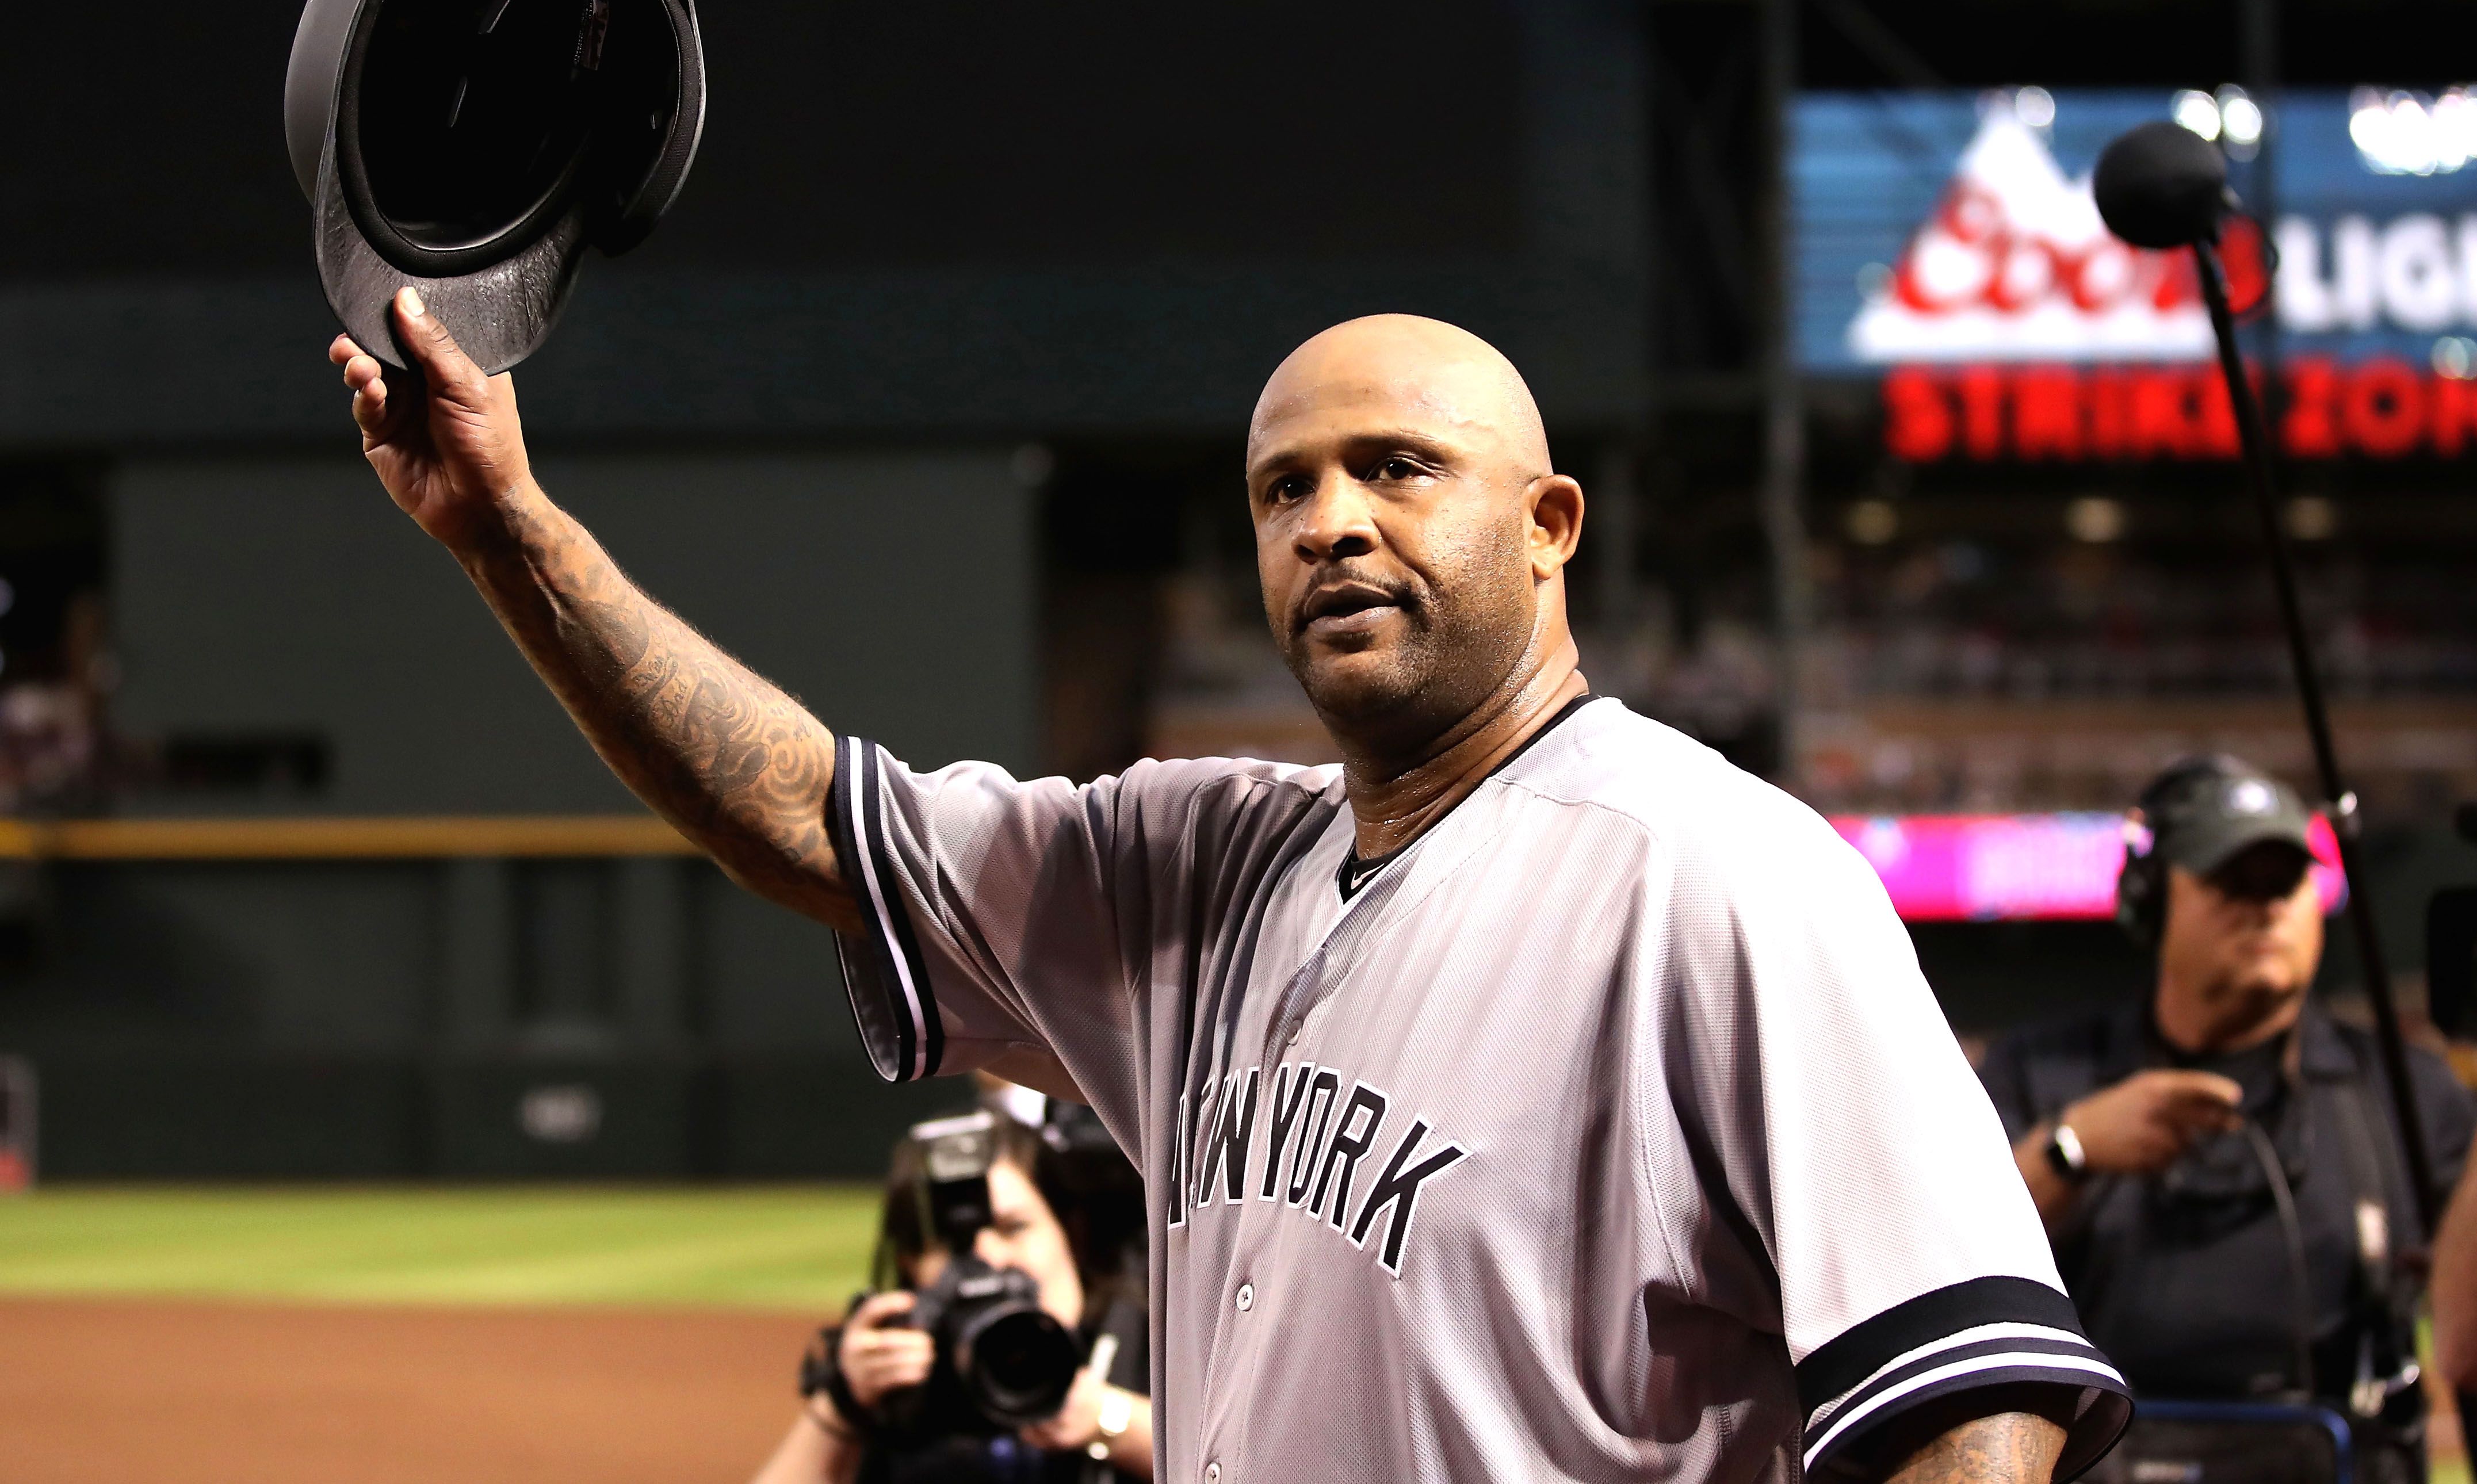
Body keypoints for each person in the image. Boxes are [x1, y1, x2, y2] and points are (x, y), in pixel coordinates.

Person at [330, 297, 2129, 1484]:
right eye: (1285, 489)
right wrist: (505, 527)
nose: (1329, 520)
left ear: (1550, 525)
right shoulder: (1187, 867)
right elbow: (802, 813)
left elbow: (1971, 1400)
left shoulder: (1724, 878)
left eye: (1394, 470)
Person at [1979, 755, 2474, 1479]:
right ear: (2151, 902)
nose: (2265, 906)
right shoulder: (2041, 1074)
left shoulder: (2406, 1088)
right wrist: (2072, 1150)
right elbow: (1950, 1276)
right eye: (2231, 882)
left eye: (2284, 882)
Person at [750, 1108, 1153, 1484]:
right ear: (911, 1263)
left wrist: (1105, 1417)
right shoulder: (904, 1380)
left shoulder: (1149, 1338)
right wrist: (844, 1404)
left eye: (1013, 1227)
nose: (988, 1258)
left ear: (1070, 1232)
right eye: (952, 1244)